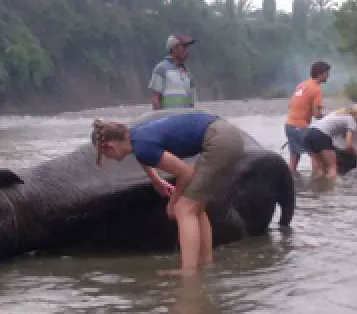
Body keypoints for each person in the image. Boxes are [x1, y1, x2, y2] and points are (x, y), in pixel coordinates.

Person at [91, 111, 244, 273]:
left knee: (183, 209)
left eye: (104, 155)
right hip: (226, 134)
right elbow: (143, 154)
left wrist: (173, 202)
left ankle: (188, 271)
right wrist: (156, 180)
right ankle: (205, 263)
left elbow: (186, 173)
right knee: (196, 207)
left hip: (219, 141)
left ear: (110, 146)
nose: (108, 158)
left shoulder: (142, 146)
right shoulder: (136, 136)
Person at [283, 60, 331, 174]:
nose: (328, 75)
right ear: (320, 74)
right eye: (327, 73)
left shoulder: (302, 85)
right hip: (301, 127)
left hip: (289, 125)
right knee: (317, 158)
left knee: (294, 161)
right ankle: (317, 188)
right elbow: (317, 115)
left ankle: (292, 183)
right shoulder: (316, 89)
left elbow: (291, 104)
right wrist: (329, 117)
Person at [302, 103, 357, 179]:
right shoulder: (351, 120)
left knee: (319, 169)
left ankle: (315, 189)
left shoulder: (338, 113)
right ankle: (333, 190)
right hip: (320, 135)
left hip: (308, 134)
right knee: (332, 167)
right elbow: (348, 145)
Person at [149, 34, 198, 110]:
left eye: (187, 47)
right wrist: (161, 118)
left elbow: (191, 103)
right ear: (174, 48)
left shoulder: (189, 74)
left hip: (183, 120)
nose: (187, 51)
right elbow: (156, 98)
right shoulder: (161, 69)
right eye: (184, 47)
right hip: (168, 119)